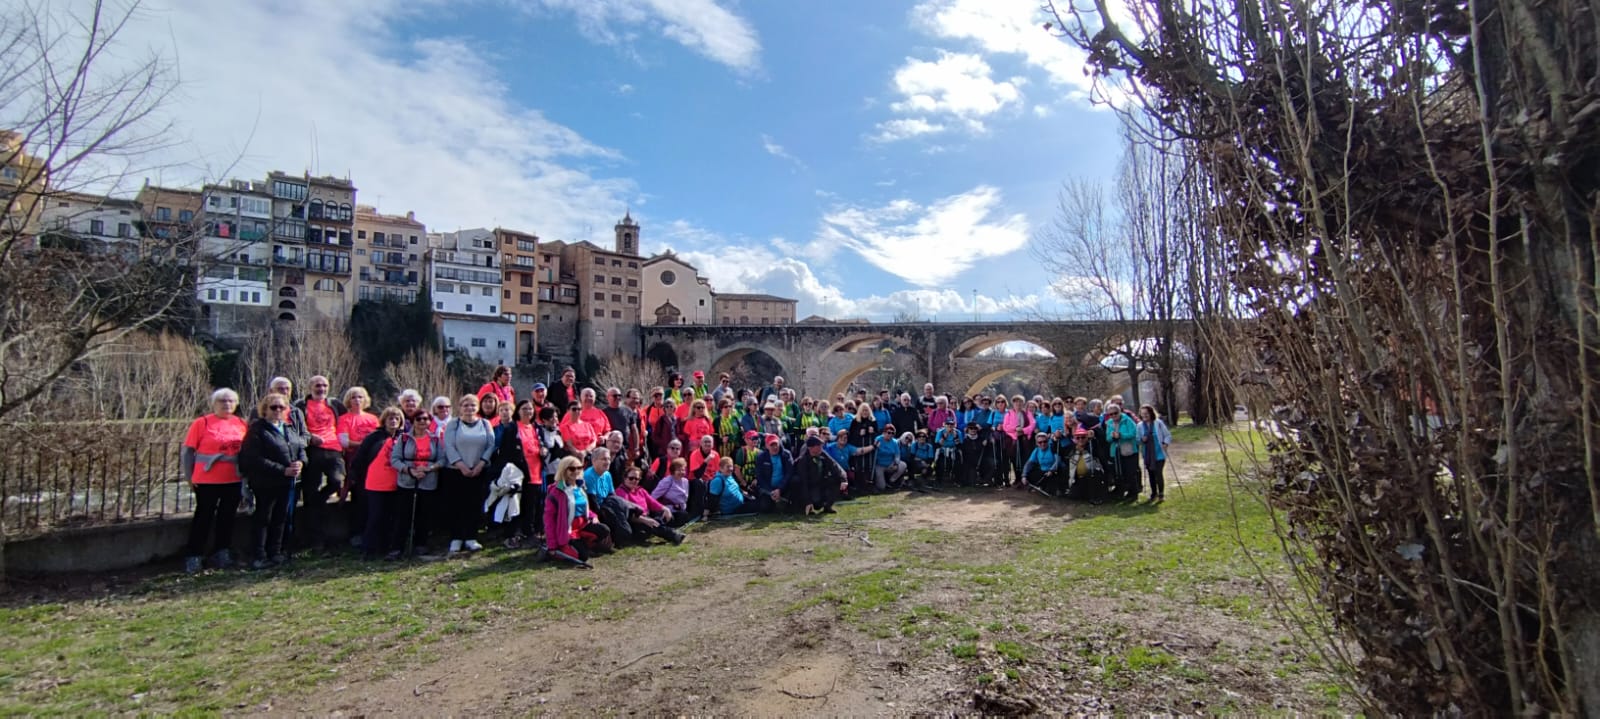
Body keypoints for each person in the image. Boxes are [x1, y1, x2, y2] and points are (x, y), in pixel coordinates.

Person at [180, 388, 248, 573]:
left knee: (227, 517)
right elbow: (188, 452)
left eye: (231, 401)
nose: (227, 404)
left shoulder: (241, 423)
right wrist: (189, 477)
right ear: (214, 403)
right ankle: (194, 555)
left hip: (232, 479)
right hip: (207, 480)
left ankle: (221, 552)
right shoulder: (202, 423)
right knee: (203, 517)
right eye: (222, 401)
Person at [238, 393, 307, 569]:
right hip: (265, 482)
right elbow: (253, 458)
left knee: (280, 517)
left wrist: (301, 462)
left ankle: (275, 552)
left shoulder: (289, 428)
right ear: (265, 410)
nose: (278, 410)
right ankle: (259, 555)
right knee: (264, 518)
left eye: (281, 407)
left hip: (287, 482)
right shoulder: (257, 430)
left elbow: (300, 449)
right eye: (273, 407)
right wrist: (282, 470)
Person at [441, 394, 495, 555]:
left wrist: (481, 464)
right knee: (456, 505)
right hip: (456, 472)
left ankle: (471, 537)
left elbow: (490, 445)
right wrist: (461, 465)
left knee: (474, 504)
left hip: (478, 471)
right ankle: (456, 538)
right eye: (466, 405)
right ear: (460, 407)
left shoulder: (485, 424)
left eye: (472, 405)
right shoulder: (453, 424)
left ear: (477, 407)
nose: (469, 408)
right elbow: (449, 446)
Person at [351, 407, 404, 559]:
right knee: (375, 516)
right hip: (375, 483)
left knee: (392, 516)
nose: (393, 421)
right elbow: (360, 458)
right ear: (384, 420)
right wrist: (355, 477)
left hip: (397, 483)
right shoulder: (373, 437)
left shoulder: (404, 438)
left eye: (397, 418)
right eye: (390, 418)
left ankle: (387, 547)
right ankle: (369, 549)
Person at [293, 375, 347, 515]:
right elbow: (295, 429)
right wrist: (310, 437)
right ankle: (311, 521)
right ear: (310, 387)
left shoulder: (335, 404)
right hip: (312, 449)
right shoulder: (300, 405)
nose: (322, 388)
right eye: (318, 385)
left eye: (325, 385)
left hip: (334, 449)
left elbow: (345, 421)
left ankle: (317, 503)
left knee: (337, 481)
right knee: (310, 487)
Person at [496, 400, 547, 548]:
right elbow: (505, 451)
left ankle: (529, 533)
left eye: (530, 409)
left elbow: (542, 445)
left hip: (536, 471)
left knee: (532, 505)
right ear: (518, 411)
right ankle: (511, 535)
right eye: (524, 409)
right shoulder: (512, 428)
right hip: (518, 473)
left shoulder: (537, 428)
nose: (528, 411)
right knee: (515, 504)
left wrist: (544, 451)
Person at [544, 456, 609, 566]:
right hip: (567, 530)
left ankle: (583, 545)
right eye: (572, 469)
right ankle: (563, 549)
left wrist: (593, 516)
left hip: (582, 525)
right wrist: (552, 545)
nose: (576, 471)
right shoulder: (556, 490)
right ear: (564, 470)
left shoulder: (580, 486)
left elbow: (584, 508)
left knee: (604, 529)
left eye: (579, 468)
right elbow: (549, 519)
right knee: (583, 557)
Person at [612, 466, 685, 546]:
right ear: (625, 478)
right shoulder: (621, 492)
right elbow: (628, 514)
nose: (634, 481)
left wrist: (665, 509)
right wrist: (646, 520)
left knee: (664, 515)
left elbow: (652, 502)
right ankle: (673, 535)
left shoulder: (640, 490)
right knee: (652, 524)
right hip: (636, 520)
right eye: (631, 478)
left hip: (647, 516)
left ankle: (659, 527)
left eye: (637, 479)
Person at [791, 436, 847, 515]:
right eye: (818, 446)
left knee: (836, 480)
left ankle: (828, 506)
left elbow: (834, 466)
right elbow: (804, 482)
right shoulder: (803, 460)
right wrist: (808, 501)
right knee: (816, 503)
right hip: (810, 487)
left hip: (821, 484)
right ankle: (806, 506)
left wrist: (843, 480)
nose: (821, 447)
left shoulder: (823, 454)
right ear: (810, 448)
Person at [1103, 402, 1141, 500]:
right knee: (1119, 472)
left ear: (1119, 412)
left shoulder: (1127, 420)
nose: (1113, 416)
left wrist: (1121, 435)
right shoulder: (1109, 423)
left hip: (1129, 450)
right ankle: (1120, 492)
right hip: (1116, 452)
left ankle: (1133, 493)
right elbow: (1107, 438)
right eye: (1111, 414)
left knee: (1130, 473)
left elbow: (1134, 433)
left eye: (1115, 413)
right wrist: (1112, 436)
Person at [1138, 405, 1172, 501]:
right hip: (1148, 455)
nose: (1144, 415)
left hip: (1159, 453)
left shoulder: (1158, 423)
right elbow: (1137, 439)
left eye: (1146, 413)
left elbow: (1167, 435)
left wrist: (1166, 443)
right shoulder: (1140, 426)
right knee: (1151, 474)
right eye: (1142, 414)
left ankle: (1161, 494)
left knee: (1158, 473)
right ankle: (1153, 493)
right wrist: (1142, 440)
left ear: (1151, 413)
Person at [1063, 428, 1107, 503]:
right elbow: (1060, 452)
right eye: (1078, 438)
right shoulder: (1072, 449)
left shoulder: (1092, 447)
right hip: (1078, 479)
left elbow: (1098, 447)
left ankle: (1094, 497)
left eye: (1083, 437)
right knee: (1073, 496)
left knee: (1093, 475)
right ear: (1075, 439)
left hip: (1092, 477)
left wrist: (1093, 435)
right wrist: (1055, 439)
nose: (1080, 439)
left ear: (1086, 438)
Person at [753, 434, 794, 513]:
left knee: (794, 480)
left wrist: (780, 489)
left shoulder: (786, 454)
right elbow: (759, 476)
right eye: (772, 445)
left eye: (776, 444)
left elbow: (789, 473)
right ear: (766, 446)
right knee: (765, 507)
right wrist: (770, 491)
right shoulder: (761, 457)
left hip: (783, 487)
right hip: (768, 489)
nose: (775, 447)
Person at [848, 403, 878, 495]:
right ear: (860, 411)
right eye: (863, 410)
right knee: (859, 467)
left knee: (870, 466)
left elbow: (877, 434)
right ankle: (860, 487)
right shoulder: (855, 421)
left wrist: (873, 432)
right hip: (859, 447)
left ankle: (870, 485)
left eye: (866, 410)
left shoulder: (873, 421)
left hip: (870, 447)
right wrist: (858, 433)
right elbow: (851, 435)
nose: (865, 412)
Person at [872, 424, 904, 491]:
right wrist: (875, 446)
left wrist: (896, 464)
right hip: (879, 465)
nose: (890, 434)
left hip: (890, 464)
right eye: (889, 432)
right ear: (884, 432)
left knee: (903, 465)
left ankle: (891, 481)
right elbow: (873, 451)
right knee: (881, 487)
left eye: (892, 433)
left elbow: (897, 454)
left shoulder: (895, 442)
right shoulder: (878, 439)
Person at [933, 418, 961, 484]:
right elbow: (937, 444)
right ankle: (939, 479)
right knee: (940, 463)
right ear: (944, 425)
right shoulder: (940, 432)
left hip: (953, 450)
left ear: (954, 425)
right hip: (943, 451)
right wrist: (944, 437)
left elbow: (960, 445)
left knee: (956, 462)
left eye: (951, 424)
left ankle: (955, 479)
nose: (949, 426)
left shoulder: (958, 432)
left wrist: (955, 437)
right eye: (947, 424)